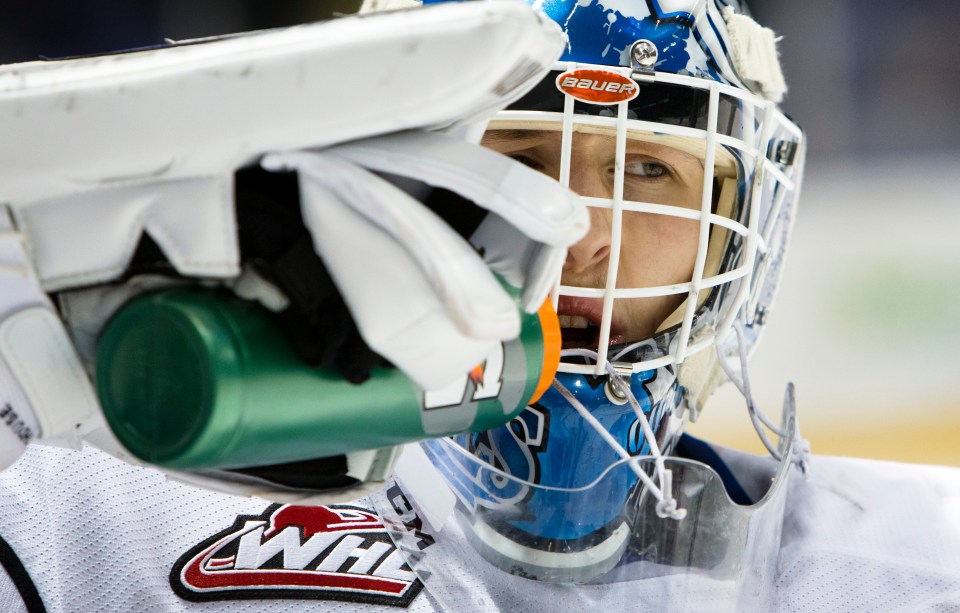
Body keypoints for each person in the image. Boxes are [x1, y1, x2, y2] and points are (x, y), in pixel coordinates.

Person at [0, 2, 959, 613]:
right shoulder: (99, 505)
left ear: (731, 231)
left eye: (646, 170)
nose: (584, 235)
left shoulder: (899, 565)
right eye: (520, 159)